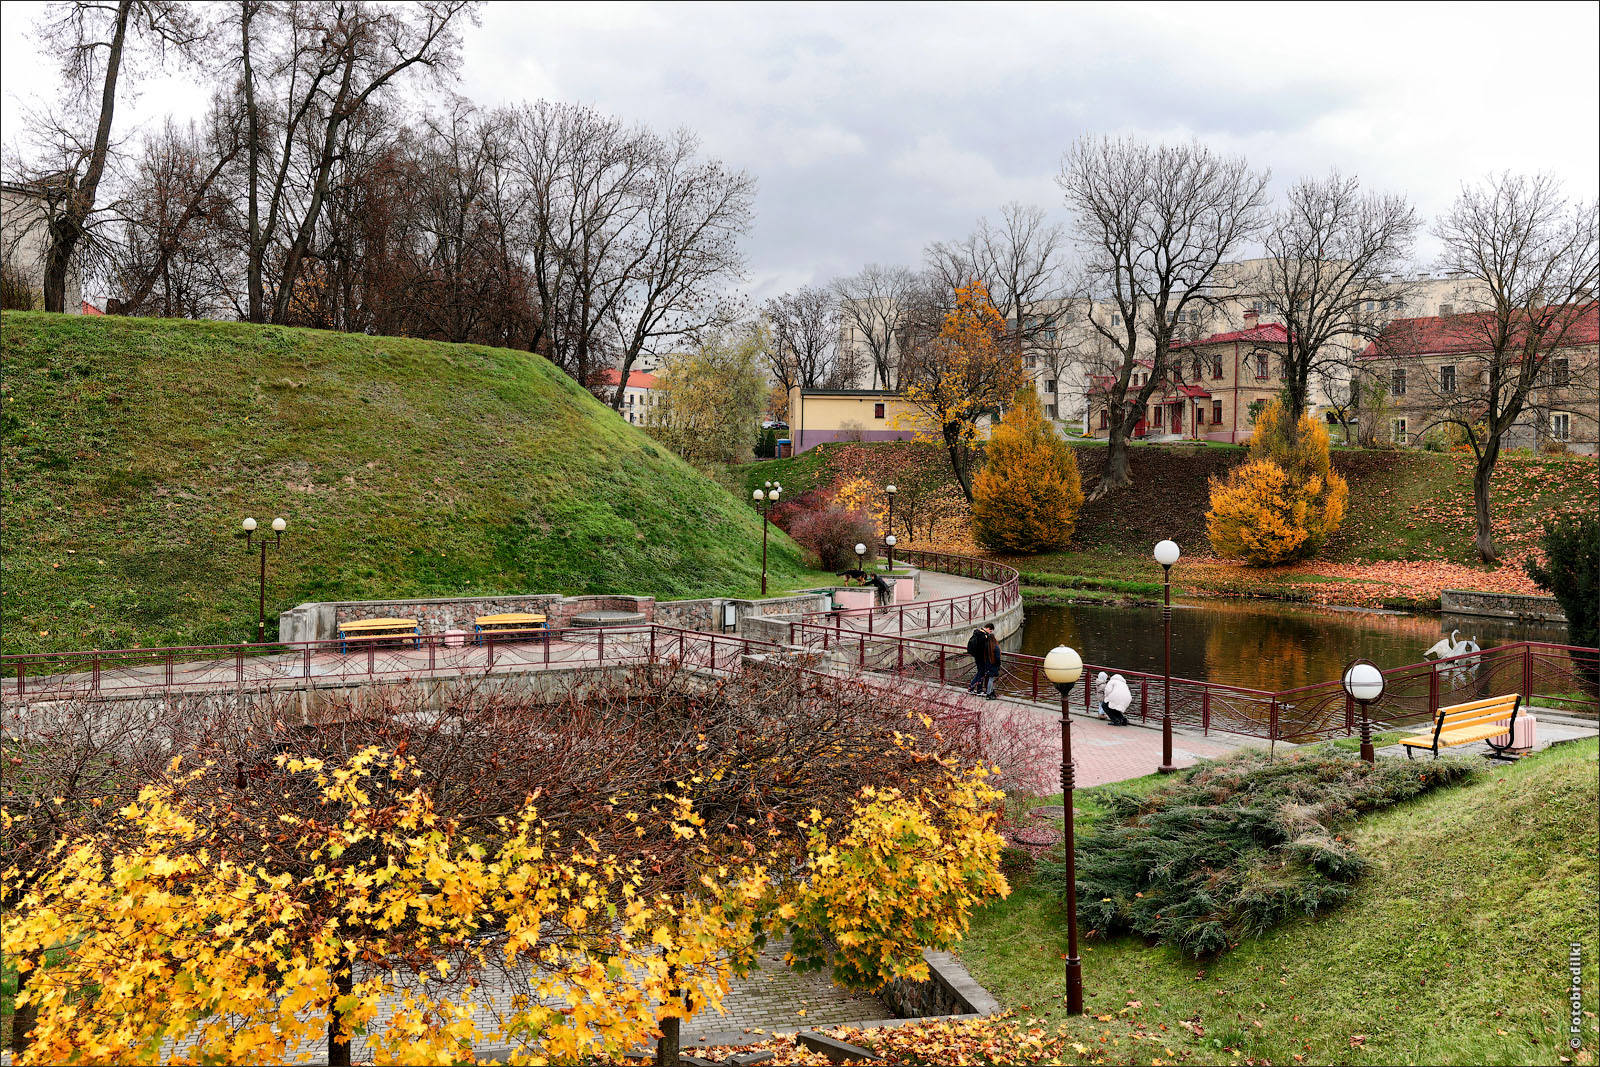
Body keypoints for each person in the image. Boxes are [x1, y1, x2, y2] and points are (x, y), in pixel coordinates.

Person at [966, 622, 1001, 699]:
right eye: (990, 631)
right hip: (981, 658)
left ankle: (978, 689)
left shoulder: (977, 632)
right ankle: (972, 688)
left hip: (977, 657)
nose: (990, 633)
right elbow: (984, 648)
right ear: (988, 628)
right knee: (980, 673)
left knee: (980, 673)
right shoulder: (983, 636)